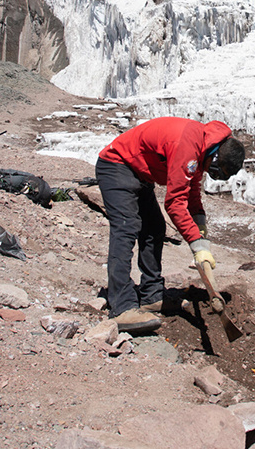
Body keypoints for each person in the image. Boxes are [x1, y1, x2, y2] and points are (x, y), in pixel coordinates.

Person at [96, 117, 245, 334]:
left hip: (138, 173)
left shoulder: (202, 146)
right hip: (117, 166)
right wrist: (196, 243)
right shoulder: (189, 146)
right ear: (214, 157)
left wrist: (200, 228)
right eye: (213, 172)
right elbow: (174, 203)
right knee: (126, 229)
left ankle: (151, 295)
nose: (208, 175)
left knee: (154, 228)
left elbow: (191, 191)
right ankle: (121, 307)